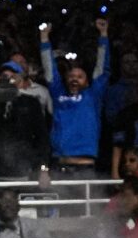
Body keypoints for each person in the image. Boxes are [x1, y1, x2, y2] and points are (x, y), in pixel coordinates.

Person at [40, 17, 111, 178]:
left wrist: (104, 36)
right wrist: (44, 39)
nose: (74, 78)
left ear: (87, 81)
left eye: (80, 76)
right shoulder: (59, 94)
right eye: (71, 75)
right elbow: (49, 69)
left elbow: (102, 69)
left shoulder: (93, 95)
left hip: (85, 165)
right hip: (60, 163)